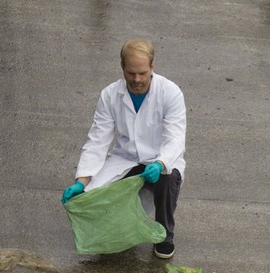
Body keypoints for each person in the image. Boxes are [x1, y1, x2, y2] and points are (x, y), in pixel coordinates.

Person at [63, 38, 186, 259]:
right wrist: (82, 181)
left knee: (168, 179)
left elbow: (176, 138)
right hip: (126, 159)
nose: (137, 80)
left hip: (161, 160)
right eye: (131, 73)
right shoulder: (110, 95)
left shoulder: (170, 93)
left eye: (142, 73)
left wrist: (160, 163)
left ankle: (165, 235)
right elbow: (98, 139)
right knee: (94, 195)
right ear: (122, 68)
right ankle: (117, 232)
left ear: (152, 67)